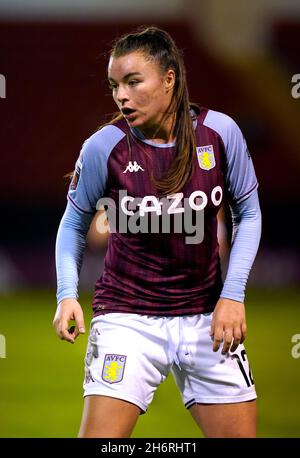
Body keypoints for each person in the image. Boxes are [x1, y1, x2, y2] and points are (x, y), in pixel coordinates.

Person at [53, 26, 261, 438]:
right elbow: (74, 223)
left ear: (170, 79)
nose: (121, 96)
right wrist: (66, 295)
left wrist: (233, 296)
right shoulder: (103, 147)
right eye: (114, 85)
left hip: (207, 317)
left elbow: (248, 213)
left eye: (133, 82)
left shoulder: (220, 134)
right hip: (126, 318)